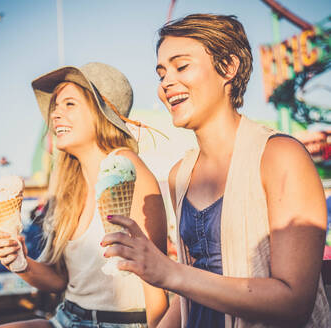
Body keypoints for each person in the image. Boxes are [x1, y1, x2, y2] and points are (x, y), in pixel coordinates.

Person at [101, 14, 331, 327]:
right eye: (161, 73)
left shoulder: (281, 156)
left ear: (229, 67)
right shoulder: (179, 175)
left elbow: (295, 302)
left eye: (181, 66)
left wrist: (168, 272)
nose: (166, 83)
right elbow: (191, 293)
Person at [0, 62, 168, 327]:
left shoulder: (127, 170)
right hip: (67, 317)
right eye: (55, 107)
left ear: (102, 113)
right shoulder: (71, 182)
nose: (55, 115)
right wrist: (18, 262)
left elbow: (157, 285)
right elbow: (60, 279)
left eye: (69, 104)